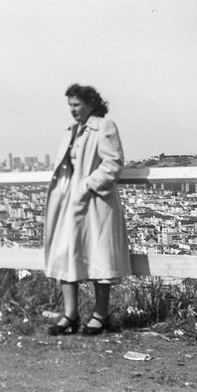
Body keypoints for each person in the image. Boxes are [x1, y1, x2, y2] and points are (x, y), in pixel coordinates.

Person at [43, 83, 132, 336]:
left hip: (95, 202)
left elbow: (113, 162)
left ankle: (99, 314)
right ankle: (70, 314)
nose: (72, 110)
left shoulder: (104, 126)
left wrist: (87, 185)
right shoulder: (70, 130)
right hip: (68, 202)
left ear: (91, 104)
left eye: (77, 105)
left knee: (99, 255)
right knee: (64, 253)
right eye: (69, 105)